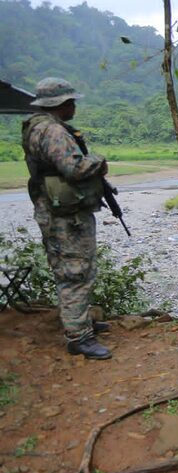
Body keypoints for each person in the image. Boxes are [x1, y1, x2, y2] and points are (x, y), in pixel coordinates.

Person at [21, 77, 112, 360]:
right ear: (61, 104)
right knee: (75, 272)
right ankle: (79, 337)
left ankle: (81, 322)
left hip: (56, 210)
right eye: (71, 102)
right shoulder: (53, 132)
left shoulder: (37, 127)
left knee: (74, 269)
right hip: (64, 217)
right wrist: (99, 162)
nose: (74, 107)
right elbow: (74, 168)